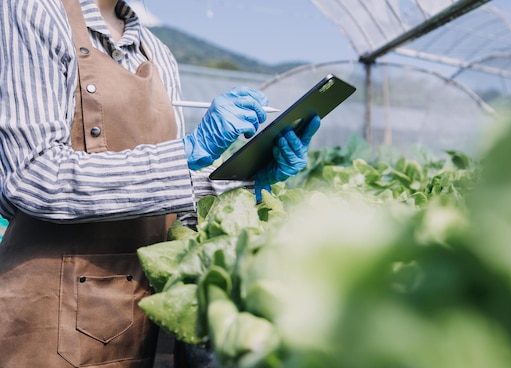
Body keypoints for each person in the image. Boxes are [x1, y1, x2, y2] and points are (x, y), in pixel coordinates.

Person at [0, 0, 320, 366]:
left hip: (134, 319)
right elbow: (31, 176)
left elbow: (169, 196)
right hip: (48, 319)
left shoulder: (158, 53)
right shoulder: (33, 10)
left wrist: (248, 184)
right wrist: (188, 151)